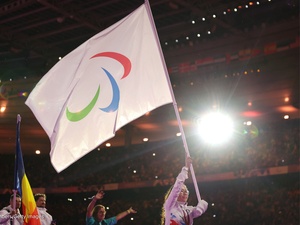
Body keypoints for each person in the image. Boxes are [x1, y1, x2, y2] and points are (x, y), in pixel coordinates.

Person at [161, 155, 208, 225]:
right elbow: (177, 187)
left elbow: (198, 211)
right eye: (182, 191)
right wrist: (186, 168)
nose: (185, 192)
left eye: (186, 191)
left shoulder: (189, 210)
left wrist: (203, 205)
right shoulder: (170, 205)